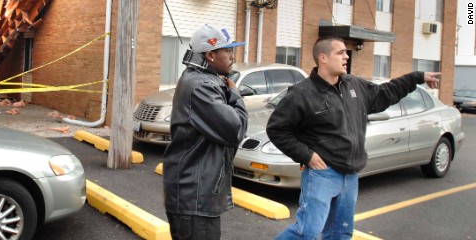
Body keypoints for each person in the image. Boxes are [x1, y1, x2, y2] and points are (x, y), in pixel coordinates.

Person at [266, 37, 441, 239]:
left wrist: (416, 77)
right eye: (340, 52)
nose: (346, 56)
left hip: (351, 174)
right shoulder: (302, 93)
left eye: (346, 53)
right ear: (323, 58)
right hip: (322, 174)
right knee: (307, 232)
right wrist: (307, 156)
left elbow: (386, 93)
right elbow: (277, 129)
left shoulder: (354, 85)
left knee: (341, 232)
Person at [162, 24, 248, 240]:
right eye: (227, 51)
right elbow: (235, 130)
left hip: (197, 195)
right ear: (210, 54)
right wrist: (236, 95)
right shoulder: (200, 86)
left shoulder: (203, 80)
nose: (232, 56)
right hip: (194, 197)